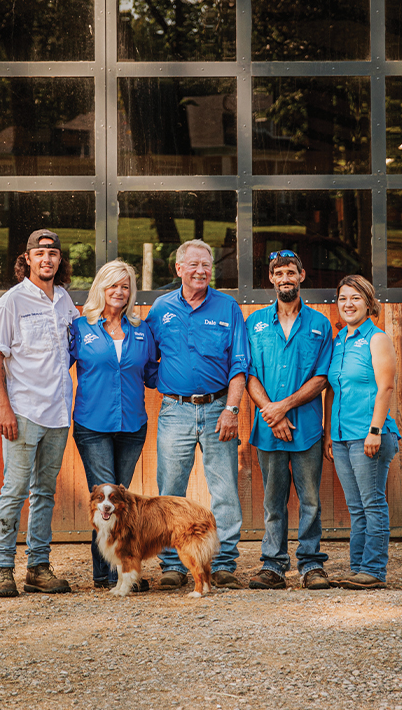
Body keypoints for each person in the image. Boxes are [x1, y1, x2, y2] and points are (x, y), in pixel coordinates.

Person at [146, 239, 250, 590]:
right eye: (193, 265)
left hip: (219, 409)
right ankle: (172, 565)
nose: (200, 271)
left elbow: (240, 365)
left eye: (206, 265)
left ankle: (223, 563)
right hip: (175, 411)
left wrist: (232, 409)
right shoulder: (161, 309)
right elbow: (147, 358)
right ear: (178, 269)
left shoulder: (228, 307)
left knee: (224, 489)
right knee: (170, 491)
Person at [0, 229, 79, 597]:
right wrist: (3, 407)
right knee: (15, 489)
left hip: (58, 413)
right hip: (23, 411)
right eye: (40, 253)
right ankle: (2, 568)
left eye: (53, 253)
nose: (47, 259)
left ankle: (38, 567)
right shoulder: (12, 302)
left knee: (45, 492)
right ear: (27, 259)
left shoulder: (65, 301)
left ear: (59, 259)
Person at [246, 250, 333, 590]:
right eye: (278, 272)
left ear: (302, 276)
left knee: (310, 499)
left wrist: (282, 407)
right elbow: (248, 373)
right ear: (271, 279)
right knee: (273, 501)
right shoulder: (254, 322)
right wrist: (271, 411)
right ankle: (274, 565)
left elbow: (322, 376)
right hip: (268, 429)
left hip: (307, 428)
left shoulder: (319, 324)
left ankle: (311, 565)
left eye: (291, 272)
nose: (285, 278)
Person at [69, 259, 158, 590]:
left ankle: (116, 570)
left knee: (120, 502)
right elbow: (57, 369)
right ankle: (108, 574)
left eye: (125, 286)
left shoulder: (141, 329)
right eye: (113, 285)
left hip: (133, 425)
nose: (119, 292)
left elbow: (151, 374)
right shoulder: (80, 328)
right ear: (100, 289)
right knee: (104, 498)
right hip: (93, 425)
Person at [324, 275, 401, 590]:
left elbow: (386, 388)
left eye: (355, 298)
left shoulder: (377, 338)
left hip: (369, 436)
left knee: (372, 503)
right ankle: (358, 569)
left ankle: (373, 570)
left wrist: (375, 431)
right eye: (343, 298)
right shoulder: (339, 340)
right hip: (342, 438)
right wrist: (330, 434)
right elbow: (332, 390)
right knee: (356, 507)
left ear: (369, 303)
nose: (348, 304)